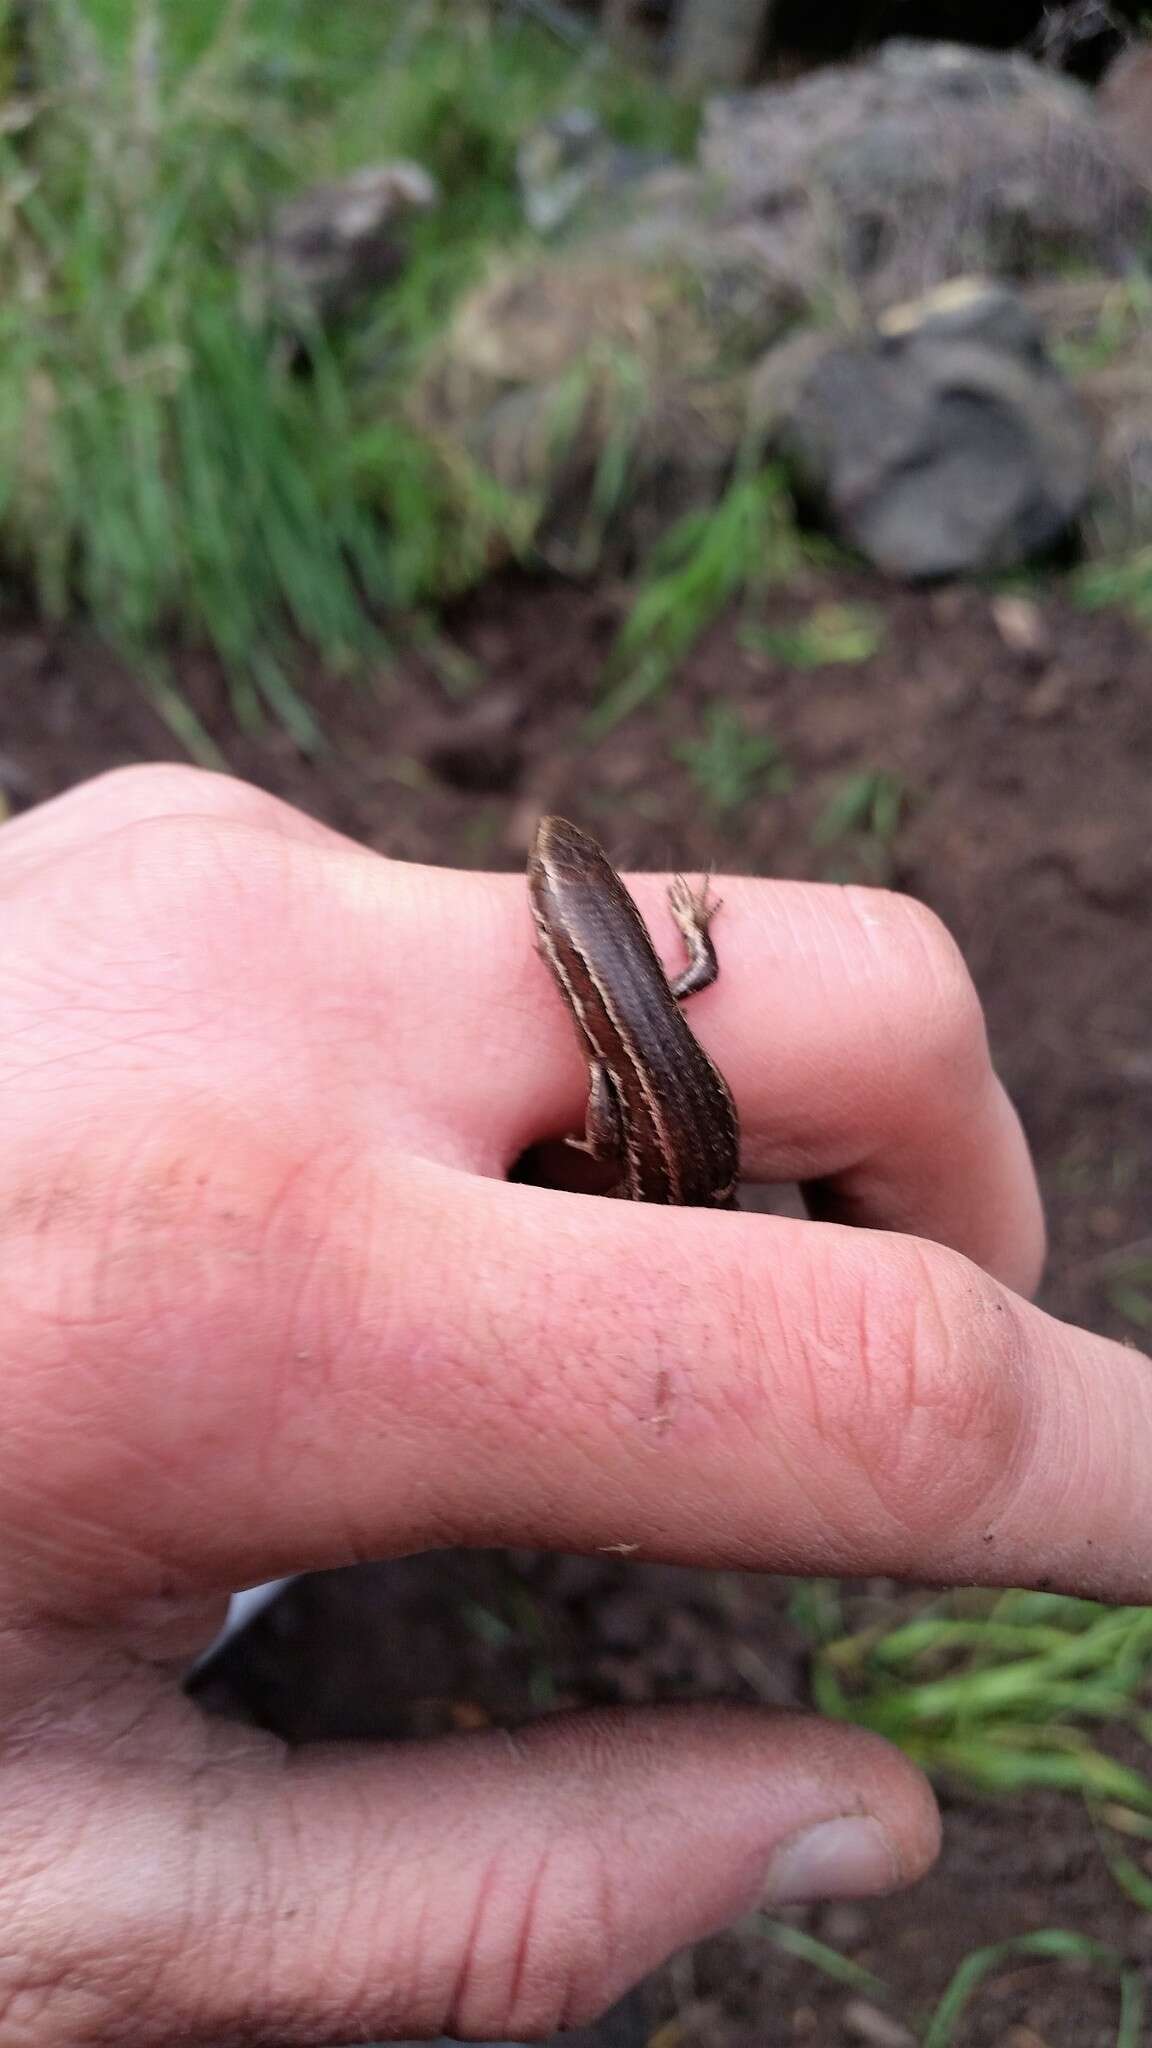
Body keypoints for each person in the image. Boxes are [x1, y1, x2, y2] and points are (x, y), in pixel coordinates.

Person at [1, 764, 1146, 2048]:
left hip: (670, 1182)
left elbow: (622, 1088)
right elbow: (675, 1004)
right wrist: (696, 940)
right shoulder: (631, 1002)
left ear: (562, 945)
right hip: (681, 1142)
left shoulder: (603, 1039)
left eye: (551, 904)